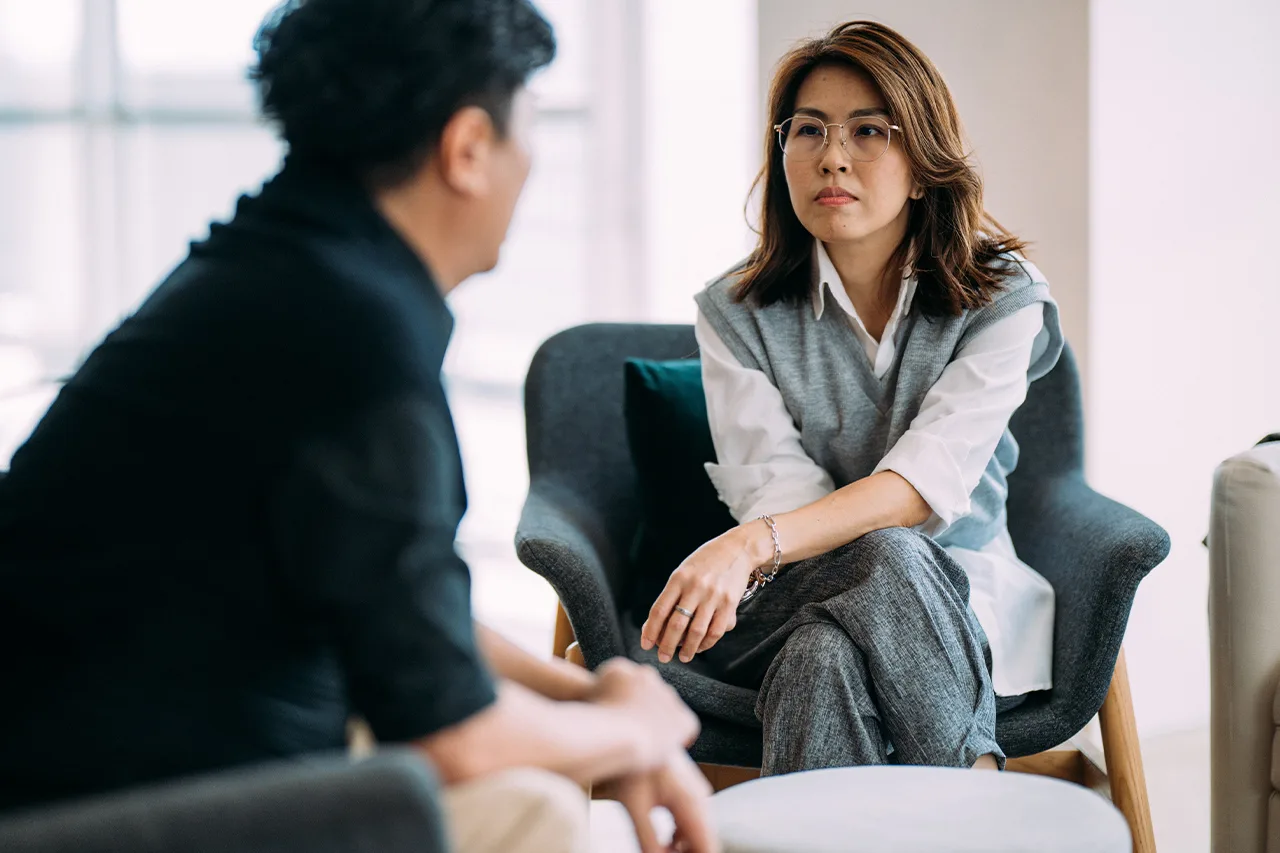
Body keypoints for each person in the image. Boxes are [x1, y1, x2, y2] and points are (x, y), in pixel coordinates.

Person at [0, 2, 717, 852]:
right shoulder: (355, 341)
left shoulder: (277, 268)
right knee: (534, 804)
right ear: (467, 151)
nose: (533, 166)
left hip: (95, 751)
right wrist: (634, 729)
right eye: (529, 133)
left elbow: (403, 613)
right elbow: (457, 734)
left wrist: (593, 700)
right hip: (105, 808)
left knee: (543, 758)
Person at [641, 20, 1064, 776]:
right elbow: (780, 487)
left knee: (823, 653)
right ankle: (975, 799)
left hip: (957, 597)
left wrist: (744, 545)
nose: (832, 155)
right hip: (796, 586)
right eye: (808, 130)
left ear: (925, 162)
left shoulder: (1006, 299)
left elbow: (921, 489)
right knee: (877, 561)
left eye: (869, 130)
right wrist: (766, 542)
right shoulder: (732, 313)